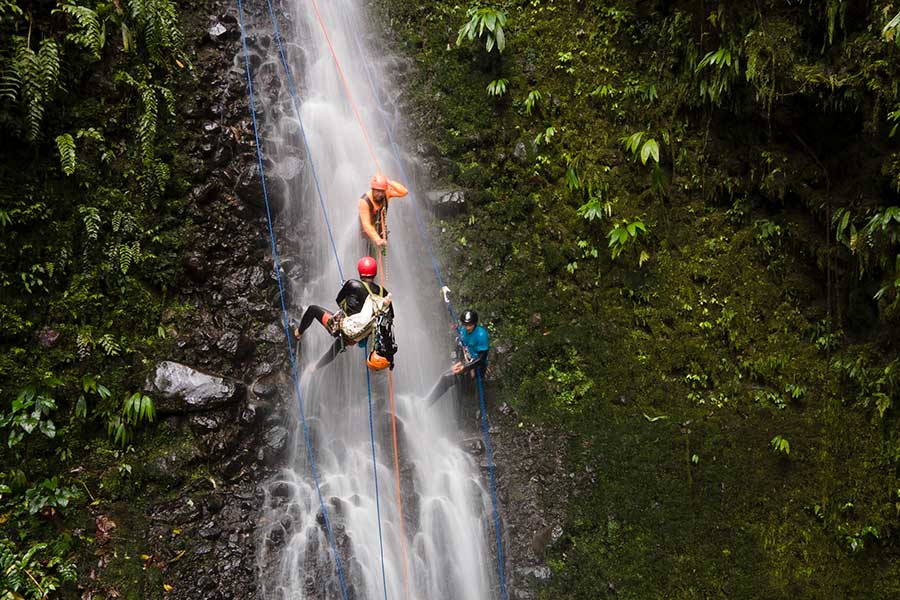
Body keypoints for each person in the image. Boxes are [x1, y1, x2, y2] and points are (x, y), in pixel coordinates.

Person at [292, 256, 396, 371]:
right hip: (359, 335)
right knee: (338, 345)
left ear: (360, 271)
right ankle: (314, 367)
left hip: (345, 328)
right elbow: (390, 315)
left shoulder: (352, 284)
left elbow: (339, 301)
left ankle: (298, 333)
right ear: (375, 272)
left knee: (313, 310)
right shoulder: (383, 293)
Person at [425, 309, 489, 405]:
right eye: (465, 324)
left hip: (477, 365)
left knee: (449, 379)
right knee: (445, 376)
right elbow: (461, 347)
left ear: (475, 323)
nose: (467, 327)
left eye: (470, 325)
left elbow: (482, 358)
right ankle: (426, 402)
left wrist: (466, 368)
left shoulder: (481, 334)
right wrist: (457, 362)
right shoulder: (463, 331)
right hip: (467, 360)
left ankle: (426, 404)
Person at [358, 173, 408, 252]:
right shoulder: (364, 201)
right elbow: (366, 225)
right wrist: (377, 239)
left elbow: (404, 192)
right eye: (378, 191)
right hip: (367, 236)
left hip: (382, 233)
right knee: (371, 258)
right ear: (373, 189)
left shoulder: (386, 194)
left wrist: (388, 182)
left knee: (384, 255)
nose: (380, 194)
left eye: (382, 191)